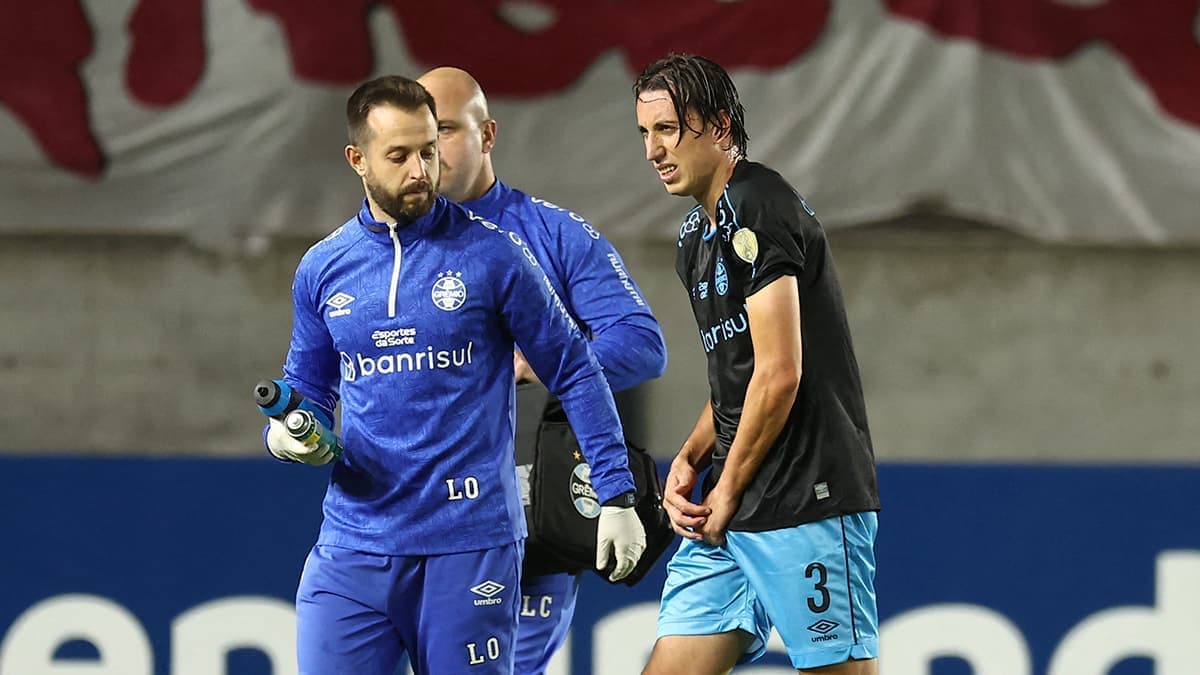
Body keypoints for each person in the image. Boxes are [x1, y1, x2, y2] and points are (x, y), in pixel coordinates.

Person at [261, 75, 647, 675]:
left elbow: (575, 368)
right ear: (356, 160)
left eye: (429, 150)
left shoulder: (494, 254)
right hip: (354, 544)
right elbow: (307, 388)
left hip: (469, 547)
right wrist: (288, 434)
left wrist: (617, 494)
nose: (419, 169)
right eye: (399, 155)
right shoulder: (322, 268)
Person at [631, 54, 881, 674]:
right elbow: (739, 379)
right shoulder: (695, 238)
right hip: (732, 502)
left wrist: (728, 486)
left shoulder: (760, 204)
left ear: (718, 127)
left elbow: (780, 372)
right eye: (644, 134)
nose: (653, 151)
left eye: (668, 130)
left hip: (805, 496)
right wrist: (691, 458)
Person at [416, 66, 668, 675]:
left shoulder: (553, 234)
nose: (430, 153)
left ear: (488, 134)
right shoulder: (383, 248)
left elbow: (641, 343)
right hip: (414, 512)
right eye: (419, 138)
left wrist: (538, 362)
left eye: (446, 131)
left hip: (528, 516)